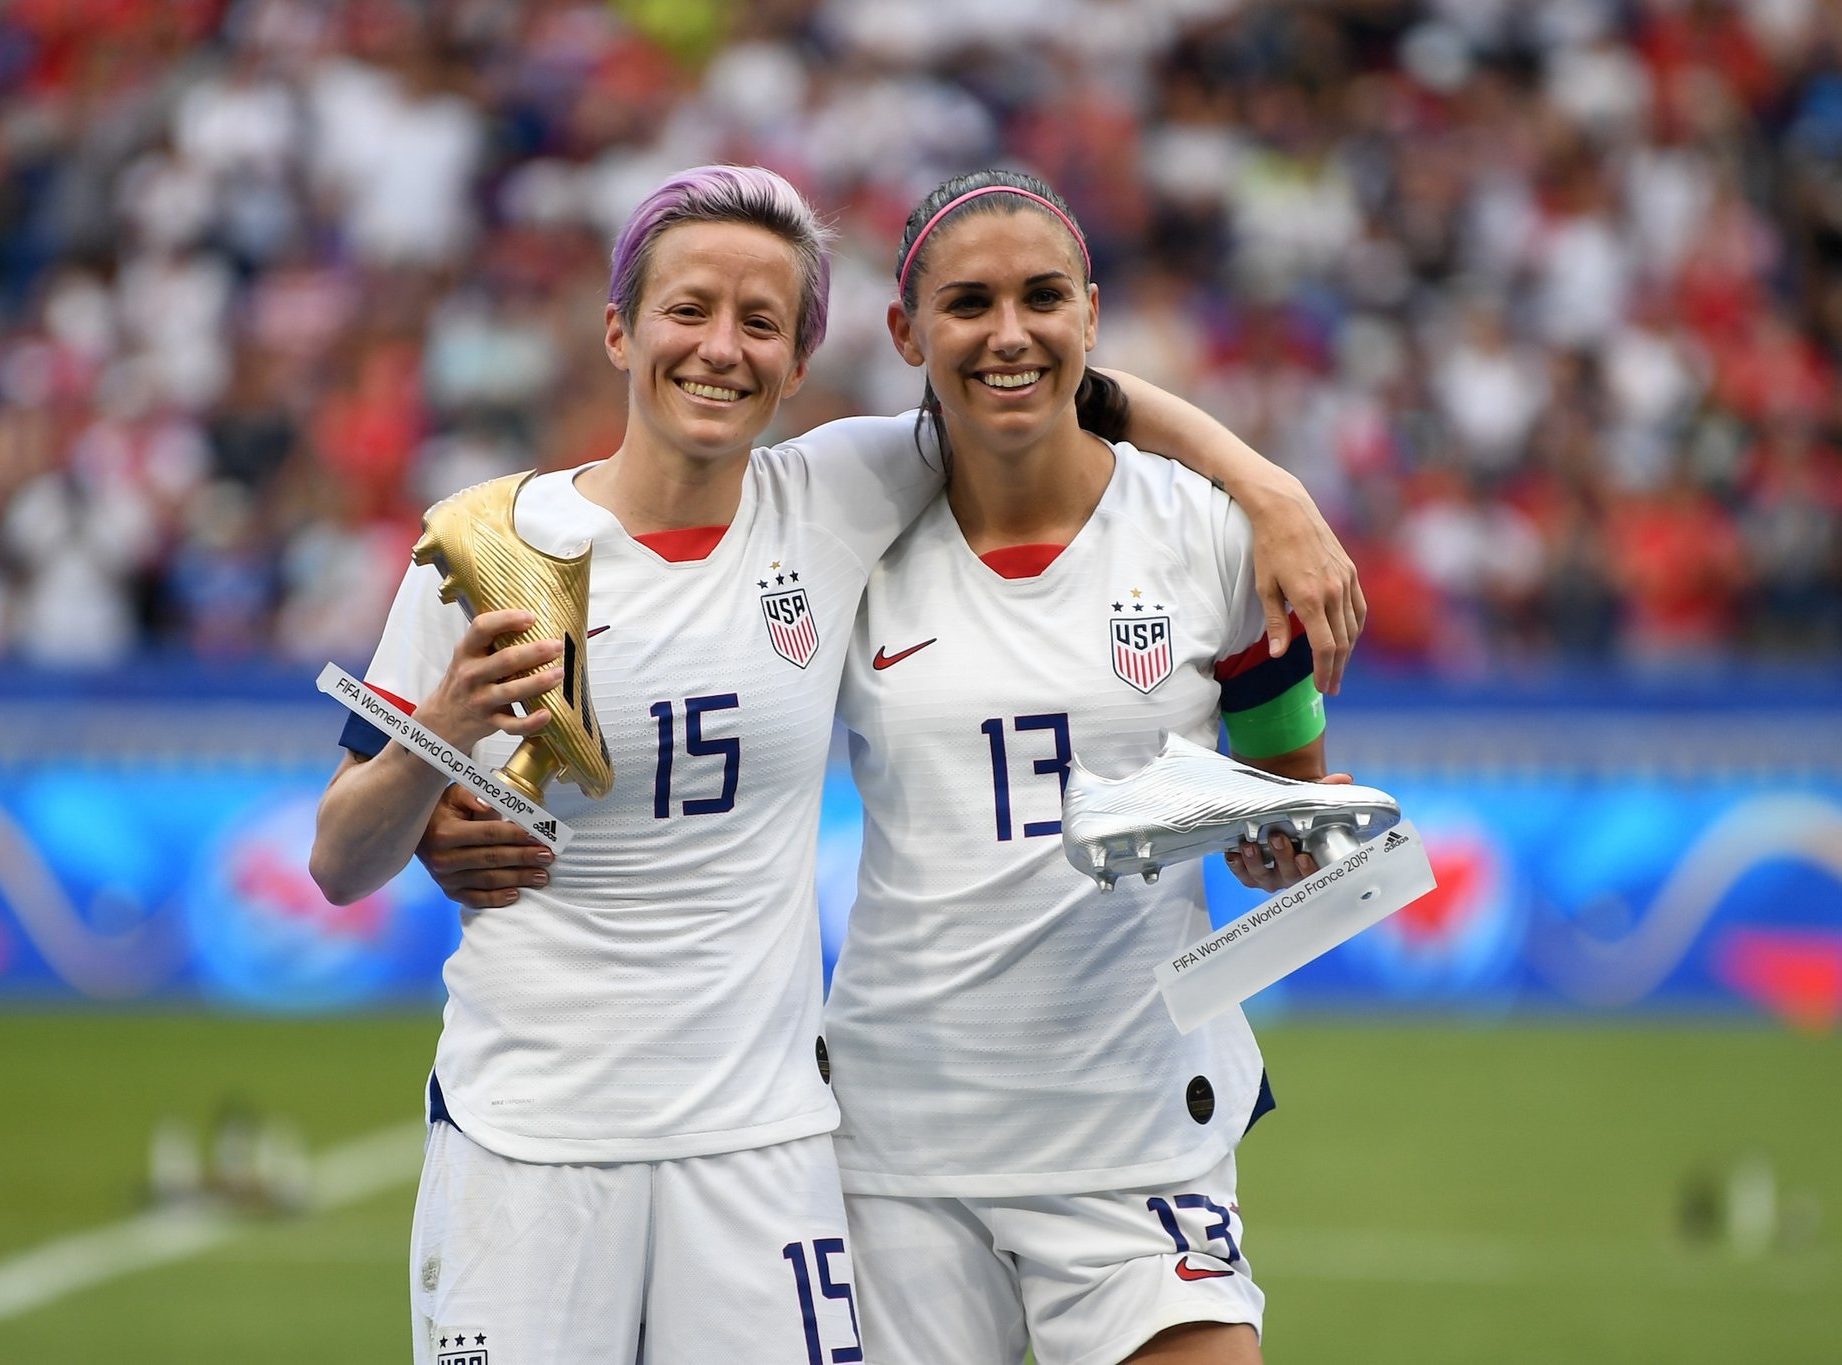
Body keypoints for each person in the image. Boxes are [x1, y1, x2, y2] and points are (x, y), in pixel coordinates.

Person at [311, 165, 1359, 1365]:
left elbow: (1050, 389)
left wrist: (1270, 490)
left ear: (799, 361)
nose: (720, 349)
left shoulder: (853, 496)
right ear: (617, 329)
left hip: (821, 1146)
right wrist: (435, 757)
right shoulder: (497, 544)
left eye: (760, 323)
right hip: (608, 1128)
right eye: (688, 312)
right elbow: (342, 857)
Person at [822, 170, 1351, 1365]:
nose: (1008, 334)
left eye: (1040, 297)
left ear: (1090, 315)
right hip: (898, 1145)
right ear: (906, 332)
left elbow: (1293, 805)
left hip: (1137, 1133)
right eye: (966, 304)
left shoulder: (1211, 537)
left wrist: (1281, 840)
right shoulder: (842, 530)